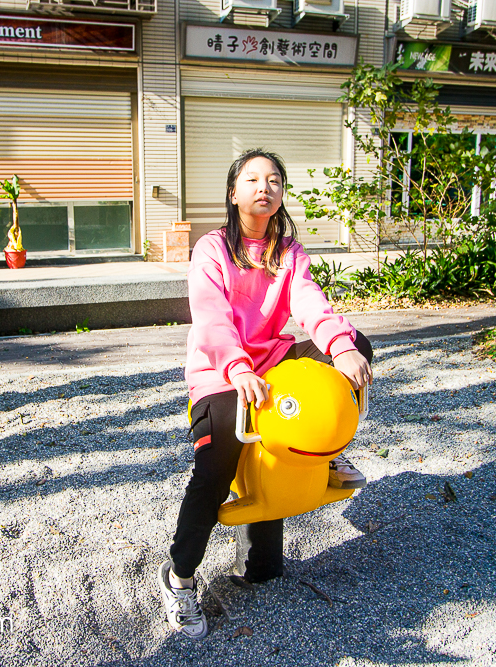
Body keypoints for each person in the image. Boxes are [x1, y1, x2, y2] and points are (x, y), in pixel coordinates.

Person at [158, 149, 374, 639]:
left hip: (273, 364)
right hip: (220, 371)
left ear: (280, 194)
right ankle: (179, 578)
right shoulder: (212, 248)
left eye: (274, 180)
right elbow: (211, 316)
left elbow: (310, 303)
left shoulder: (289, 251)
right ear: (233, 193)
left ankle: (333, 453)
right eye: (252, 179)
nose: (264, 187)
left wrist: (339, 347)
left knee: (355, 343)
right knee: (215, 468)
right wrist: (236, 368)